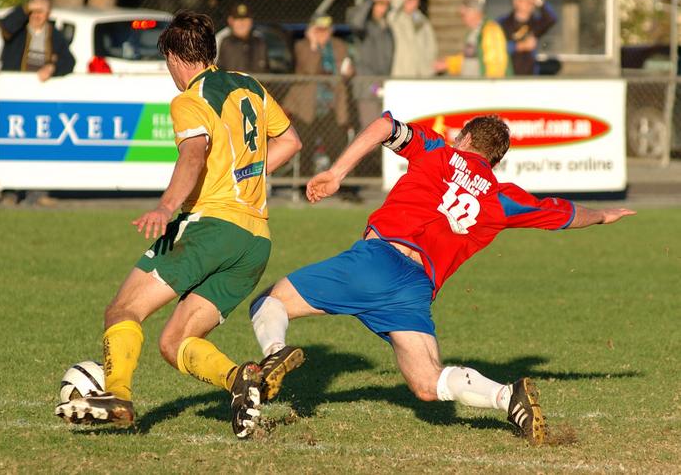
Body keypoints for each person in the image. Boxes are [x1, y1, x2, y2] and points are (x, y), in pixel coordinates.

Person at [247, 113, 635, 444]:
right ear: (494, 161)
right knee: (428, 384)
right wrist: (603, 216)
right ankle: (506, 397)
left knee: (269, 302)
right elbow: (564, 214)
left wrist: (336, 172)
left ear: (464, 138)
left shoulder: (437, 150)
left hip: (378, 259)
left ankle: (273, 353)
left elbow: (385, 126)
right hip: (414, 287)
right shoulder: (501, 197)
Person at [54, 10, 303, 439]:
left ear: (173, 56)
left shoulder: (189, 99)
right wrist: (248, 175)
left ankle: (116, 394)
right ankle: (240, 379)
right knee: (174, 341)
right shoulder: (249, 85)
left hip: (212, 228)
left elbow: (193, 155)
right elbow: (290, 142)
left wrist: (166, 208)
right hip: (256, 240)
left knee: (124, 308)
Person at [0, 0, 76, 207]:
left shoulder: (54, 34)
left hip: (41, 99)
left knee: (38, 144)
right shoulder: (18, 30)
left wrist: (53, 67)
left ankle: (37, 191)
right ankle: (10, 191)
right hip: (14, 95)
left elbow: (70, 61)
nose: (37, 16)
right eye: (34, 11)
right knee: (12, 143)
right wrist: (24, 9)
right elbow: (5, 27)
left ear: (48, 13)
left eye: (41, 12)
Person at [282, 14, 353, 175]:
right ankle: (303, 185)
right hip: (306, 107)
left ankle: (343, 185)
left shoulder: (339, 46)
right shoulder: (302, 46)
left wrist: (349, 72)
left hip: (331, 105)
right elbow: (308, 70)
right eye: (318, 30)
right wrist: (313, 45)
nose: (322, 33)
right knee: (305, 146)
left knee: (338, 146)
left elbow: (346, 69)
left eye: (325, 30)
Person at [348, 0, 394, 131]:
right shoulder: (364, 27)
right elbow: (356, 21)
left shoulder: (387, 28)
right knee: (369, 128)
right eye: (379, 4)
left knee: (386, 128)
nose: (382, 8)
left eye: (385, 4)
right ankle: (368, 154)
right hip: (367, 83)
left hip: (384, 82)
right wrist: (370, 0)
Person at [435, 0, 510, 78]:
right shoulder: (473, 33)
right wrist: (448, 64)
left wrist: (490, 85)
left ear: (474, 12)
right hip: (472, 85)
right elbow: (469, 58)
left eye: (463, 15)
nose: (462, 19)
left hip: (483, 86)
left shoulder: (490, 30)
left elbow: (496, 62)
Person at [497, 0, 557, 75]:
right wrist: (519, 46)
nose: (529, 3)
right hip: (506, 74)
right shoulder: (503, 23)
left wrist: (539, 1)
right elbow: (495, 47)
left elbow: (552, 18)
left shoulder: (535, 23)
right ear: (516, 2)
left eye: (531, 0)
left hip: (529, 75)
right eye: (524, 0)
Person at [388, 0, 437, 77]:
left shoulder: (422, 21)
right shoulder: (394, 18)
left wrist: (428, 69)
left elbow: (431, 46)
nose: (413, 1)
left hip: (421, 75)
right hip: (399, 73)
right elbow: (393, 8)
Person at [216, 3, 269, 73]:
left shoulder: (259, 40)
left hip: (256, 83)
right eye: (238, 19)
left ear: (251, 20)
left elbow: (266, 69)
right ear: (230, 21)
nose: (242, 23)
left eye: (245, 19)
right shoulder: (220, 39)